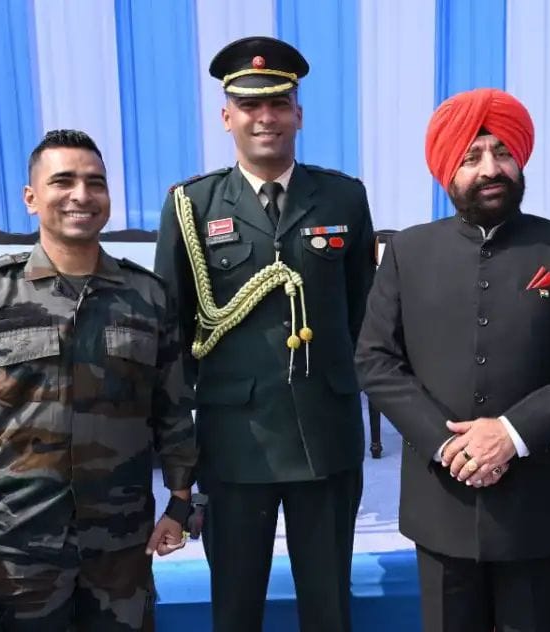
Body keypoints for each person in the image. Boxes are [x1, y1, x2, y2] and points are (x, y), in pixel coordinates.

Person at [355, 87, 550, 632]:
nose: (490, 168)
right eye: (471, 156)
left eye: (502, 152)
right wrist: (448, 444)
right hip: (442, 501)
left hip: (538, 504)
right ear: (447, 171)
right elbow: (376, 360)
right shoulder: (408, 251)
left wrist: (512, 433)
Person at [0, 129, 198, 630]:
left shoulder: (147, 297)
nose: (81, 195)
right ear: (31, 198)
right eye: (63, 181)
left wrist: (180, 502)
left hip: (121, 548)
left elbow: (173, 410)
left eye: (95, 183)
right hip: (17, 544)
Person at [153, 36, 375, 632]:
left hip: (324, 434)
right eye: (249, 106)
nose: (265, 118)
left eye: (279, 104)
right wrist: (178, 447)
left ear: (298, 114)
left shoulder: (344, 197)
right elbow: (172, 331)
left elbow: (365, 313)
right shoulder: (192, 205)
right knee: (235, 605)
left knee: (329, 606)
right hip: (235, 440)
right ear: (226, 117)